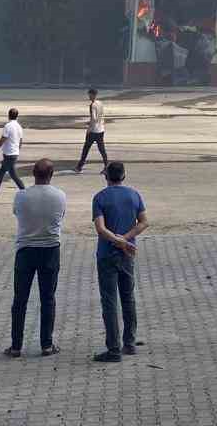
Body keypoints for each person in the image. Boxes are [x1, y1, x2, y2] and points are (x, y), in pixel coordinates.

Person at [6, 157, 65, 357]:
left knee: (20, 299)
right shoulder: (60, 196)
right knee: (48, 298)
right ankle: (46, 344)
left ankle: (16, 346)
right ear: (52, 174)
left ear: (33, 174)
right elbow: (61, 216)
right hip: (50, 249)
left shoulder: (21, 196)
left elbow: (17, 213)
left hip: (26, 250)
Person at [91, 160, 148, 362]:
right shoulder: (134, 195)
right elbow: (144, 222)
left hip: (107, 254)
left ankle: (113, 349)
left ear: (106, 176)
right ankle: (129, 343)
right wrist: (126, 239)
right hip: (127, 254)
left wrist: (116, 240)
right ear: (124, 176)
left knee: (109, 301)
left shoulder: (100, 198)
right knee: (128, 298)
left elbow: (100, 228)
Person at [75, 87, 108, 173]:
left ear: (92, 94)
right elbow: (101, 115)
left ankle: (79, 166)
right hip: (101, 129)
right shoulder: (100, 103)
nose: (89, 96)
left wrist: (89, 128)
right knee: (102, 149)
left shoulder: (92, 105)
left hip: (94, 130)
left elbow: (93, 118)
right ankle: (106, 165)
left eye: (89, 94)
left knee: (86, 148)